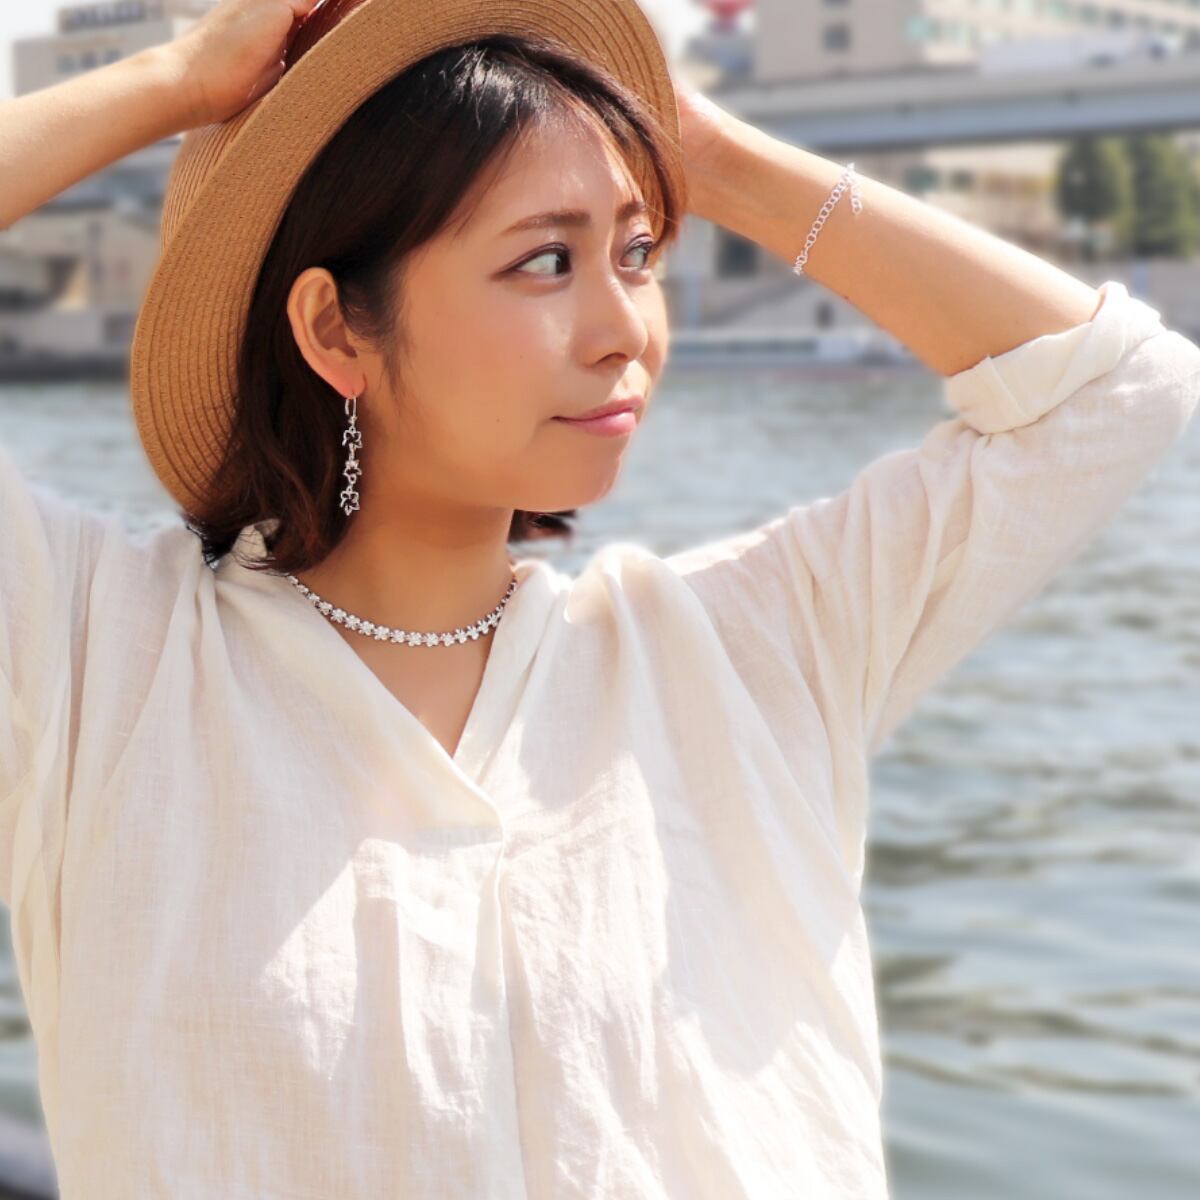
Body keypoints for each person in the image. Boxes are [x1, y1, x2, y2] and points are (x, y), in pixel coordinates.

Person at [0, 1, 1196, 1196]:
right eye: (546, 261)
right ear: (334, 328)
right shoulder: (93, 659)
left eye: (638, 253)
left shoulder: (751, 642)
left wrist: (707, 154)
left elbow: (1119, 392)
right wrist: (172, 80)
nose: (628, 329)